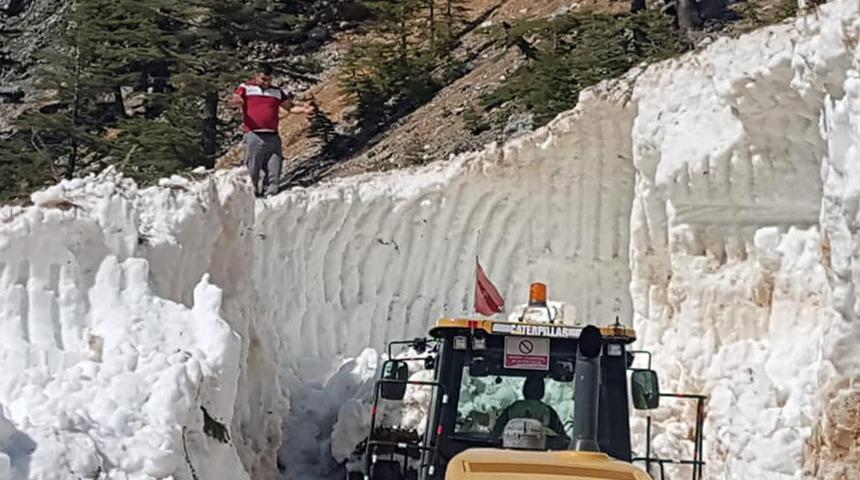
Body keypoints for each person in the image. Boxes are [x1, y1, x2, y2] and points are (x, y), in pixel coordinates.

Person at [230, 63, 313, 197]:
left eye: (269, 80)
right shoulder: (246, 88)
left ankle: (271, 195)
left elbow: (290, 107)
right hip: (254, 135)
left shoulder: (276, 92)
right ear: (256, 76)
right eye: (263, 79)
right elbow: (235, 100)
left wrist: (304, 109)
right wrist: (236, 101)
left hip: (273, 136)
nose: (266, 83)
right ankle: (251, 197)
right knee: (252, 170)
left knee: (274, 168)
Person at [491, 377, 568, 444]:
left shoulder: (512, 409)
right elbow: (562, 439)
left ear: (524, 389)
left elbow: (495, 434)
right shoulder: (549, 412)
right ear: (542, 391)